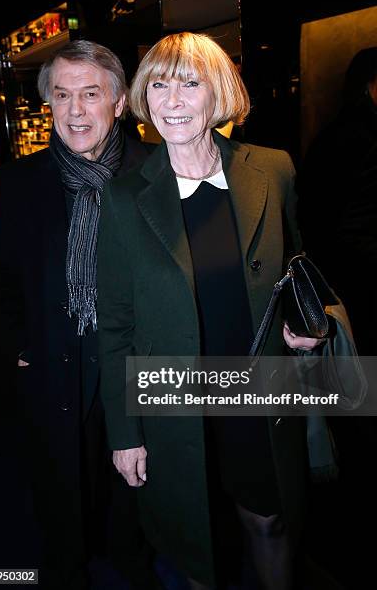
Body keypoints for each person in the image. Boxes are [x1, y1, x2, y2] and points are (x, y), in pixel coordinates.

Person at [97, 32, 327, 590]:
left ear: (219, 93)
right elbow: (115, 326)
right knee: (196, 548)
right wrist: (124, 434)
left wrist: (314, 323)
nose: (171, 101)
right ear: (144, 100)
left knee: (268, 521)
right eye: (157, 85)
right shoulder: (124, 198)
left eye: (189, 84)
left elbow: (302, 267)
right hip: (175, 398)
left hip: (257, 391)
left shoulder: (272, 170)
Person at [0, 40, 156, 590]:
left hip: (132, 358)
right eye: (62, 96)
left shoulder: (155, 177)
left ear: (119, 102)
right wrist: (18, 348)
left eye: (90, 94)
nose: (76, 110)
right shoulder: (17, 182)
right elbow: (6, 280)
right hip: (54, 357)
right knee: (61, 485)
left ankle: (133, 559)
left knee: (136, 483)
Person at [297, 46, 377, 354]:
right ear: (368, 85)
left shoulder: (331, 132)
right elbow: (356, 226)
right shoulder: (364, 138)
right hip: (356, 282)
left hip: (333, 274)